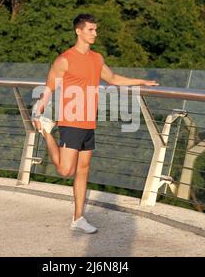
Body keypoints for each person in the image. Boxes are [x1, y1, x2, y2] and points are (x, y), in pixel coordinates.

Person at [32, 14, 158, 234]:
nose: (95, 34)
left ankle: (78, 217)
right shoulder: (65, 59)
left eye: (95, 30)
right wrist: (40, 105)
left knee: (83, 170)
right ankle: (45, 131)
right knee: (64, 170)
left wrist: (142, 81)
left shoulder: (96, 58)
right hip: (70, 120)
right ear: (78, 31)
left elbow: (114, 79)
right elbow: (50, 85)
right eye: (91, 30)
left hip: (89, 122)